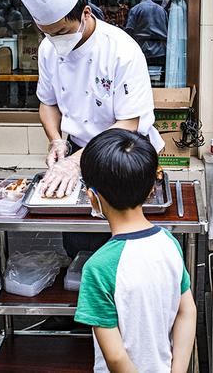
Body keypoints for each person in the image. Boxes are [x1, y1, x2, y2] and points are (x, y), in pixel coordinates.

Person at [6, 0, 163, 256]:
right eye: (47, 34)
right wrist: (56, 141)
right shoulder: (50, 49)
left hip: (127, 153)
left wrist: (74, 164)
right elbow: (47, 102)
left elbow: (127, 123)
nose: (56, 40)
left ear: (86, 14)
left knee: (126, 243)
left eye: (62, 31)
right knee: (80, 237)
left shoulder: (121, 50)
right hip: (78, 149)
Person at [74, 129, 196, 373]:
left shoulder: (98, 268)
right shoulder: (169, 242)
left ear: (92, 198)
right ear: (152, 189)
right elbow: (187, 310)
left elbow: (116, 357)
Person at [125, 0, 168, 64]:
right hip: (161, 49)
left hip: (142, 48)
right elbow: (167, 28)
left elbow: (129, 30)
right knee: (160, 73)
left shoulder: (135, 9)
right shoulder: (162, 10)